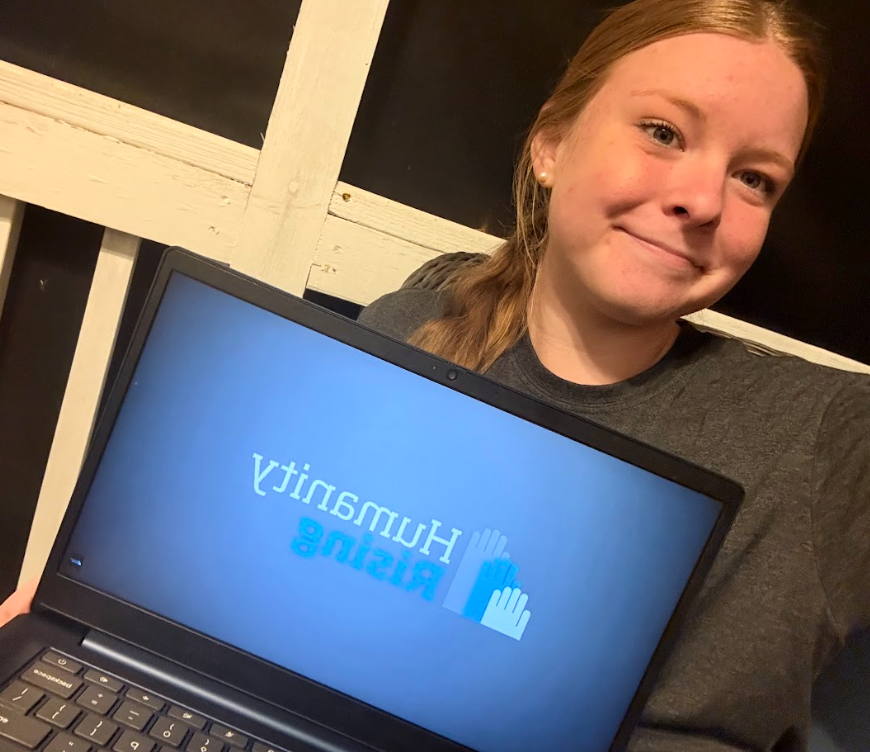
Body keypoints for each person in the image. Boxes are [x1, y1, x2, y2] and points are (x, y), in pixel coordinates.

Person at [2, 0, 867, 748]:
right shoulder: (413, 323)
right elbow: (302, 601)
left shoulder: (830, 435)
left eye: (755, 178)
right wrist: (118, 621)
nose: (703, 199)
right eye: (663, 132)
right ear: (552, 145)